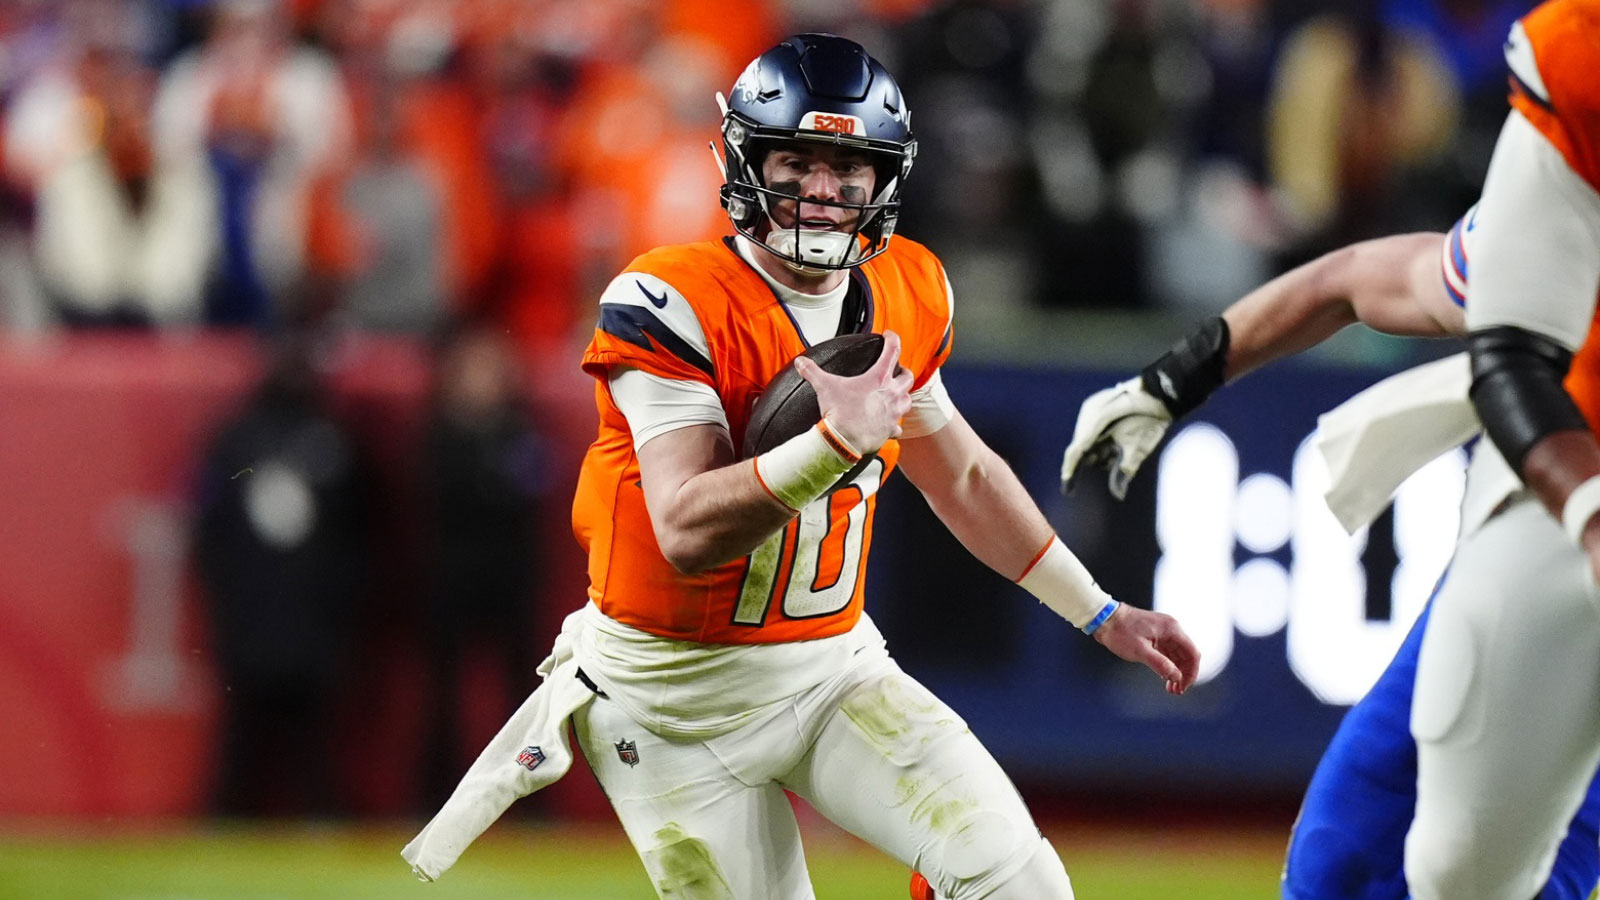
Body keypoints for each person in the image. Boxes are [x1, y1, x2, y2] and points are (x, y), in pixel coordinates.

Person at [404, 33, 1200, 900]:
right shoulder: (669, 298)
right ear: (748, 161)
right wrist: (832, 445)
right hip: (671, 699)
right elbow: (684, 528)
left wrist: (1102, 613)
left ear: (883, 179)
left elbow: (963, 476)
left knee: (1022, 884)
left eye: (847, 168)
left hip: (828, 667)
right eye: (795, 162)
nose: (822, 190)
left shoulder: (907, 287)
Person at [1063, 3, 1600, 897]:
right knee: (1344, 857)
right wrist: (1172, 379)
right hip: (1542, 538)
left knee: (1513, 874)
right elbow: (1360, 279)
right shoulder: (1559, 198)